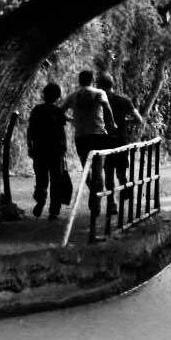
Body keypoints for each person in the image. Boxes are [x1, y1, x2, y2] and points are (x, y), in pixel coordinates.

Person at [60, 70, 116, 227]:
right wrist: (111, 123)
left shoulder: (73, 96)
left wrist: (72, 120)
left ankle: (94, 192)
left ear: (79, 80)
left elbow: (60, 112)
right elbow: (107, 108)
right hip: (98, 135)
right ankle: (96, 196)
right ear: (92, 80)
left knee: (87, 168)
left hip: (81, 137)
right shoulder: (99, 93)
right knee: (99, 168)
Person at [97, 74, 146, 202]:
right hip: (121, 139)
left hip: (105, 139)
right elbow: (139, 120)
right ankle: (126, 194)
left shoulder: (98, 101)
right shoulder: (124, 100)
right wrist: (125, 121)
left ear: (99, 86)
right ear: (112, 84)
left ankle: (111, 202)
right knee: (121, 172)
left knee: (108, 173)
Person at [26, 82, 71, 220]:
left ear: (43, 94)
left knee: (41, 179)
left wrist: (30, 147)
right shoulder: (58, 112)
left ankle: (40, 200)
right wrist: (64, 149)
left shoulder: (36, 110)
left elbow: (30, 131)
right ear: (58, 97)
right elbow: (61, 132)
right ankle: (54, 211)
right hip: (56, 151)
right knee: (56, 180)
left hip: (39, 149)